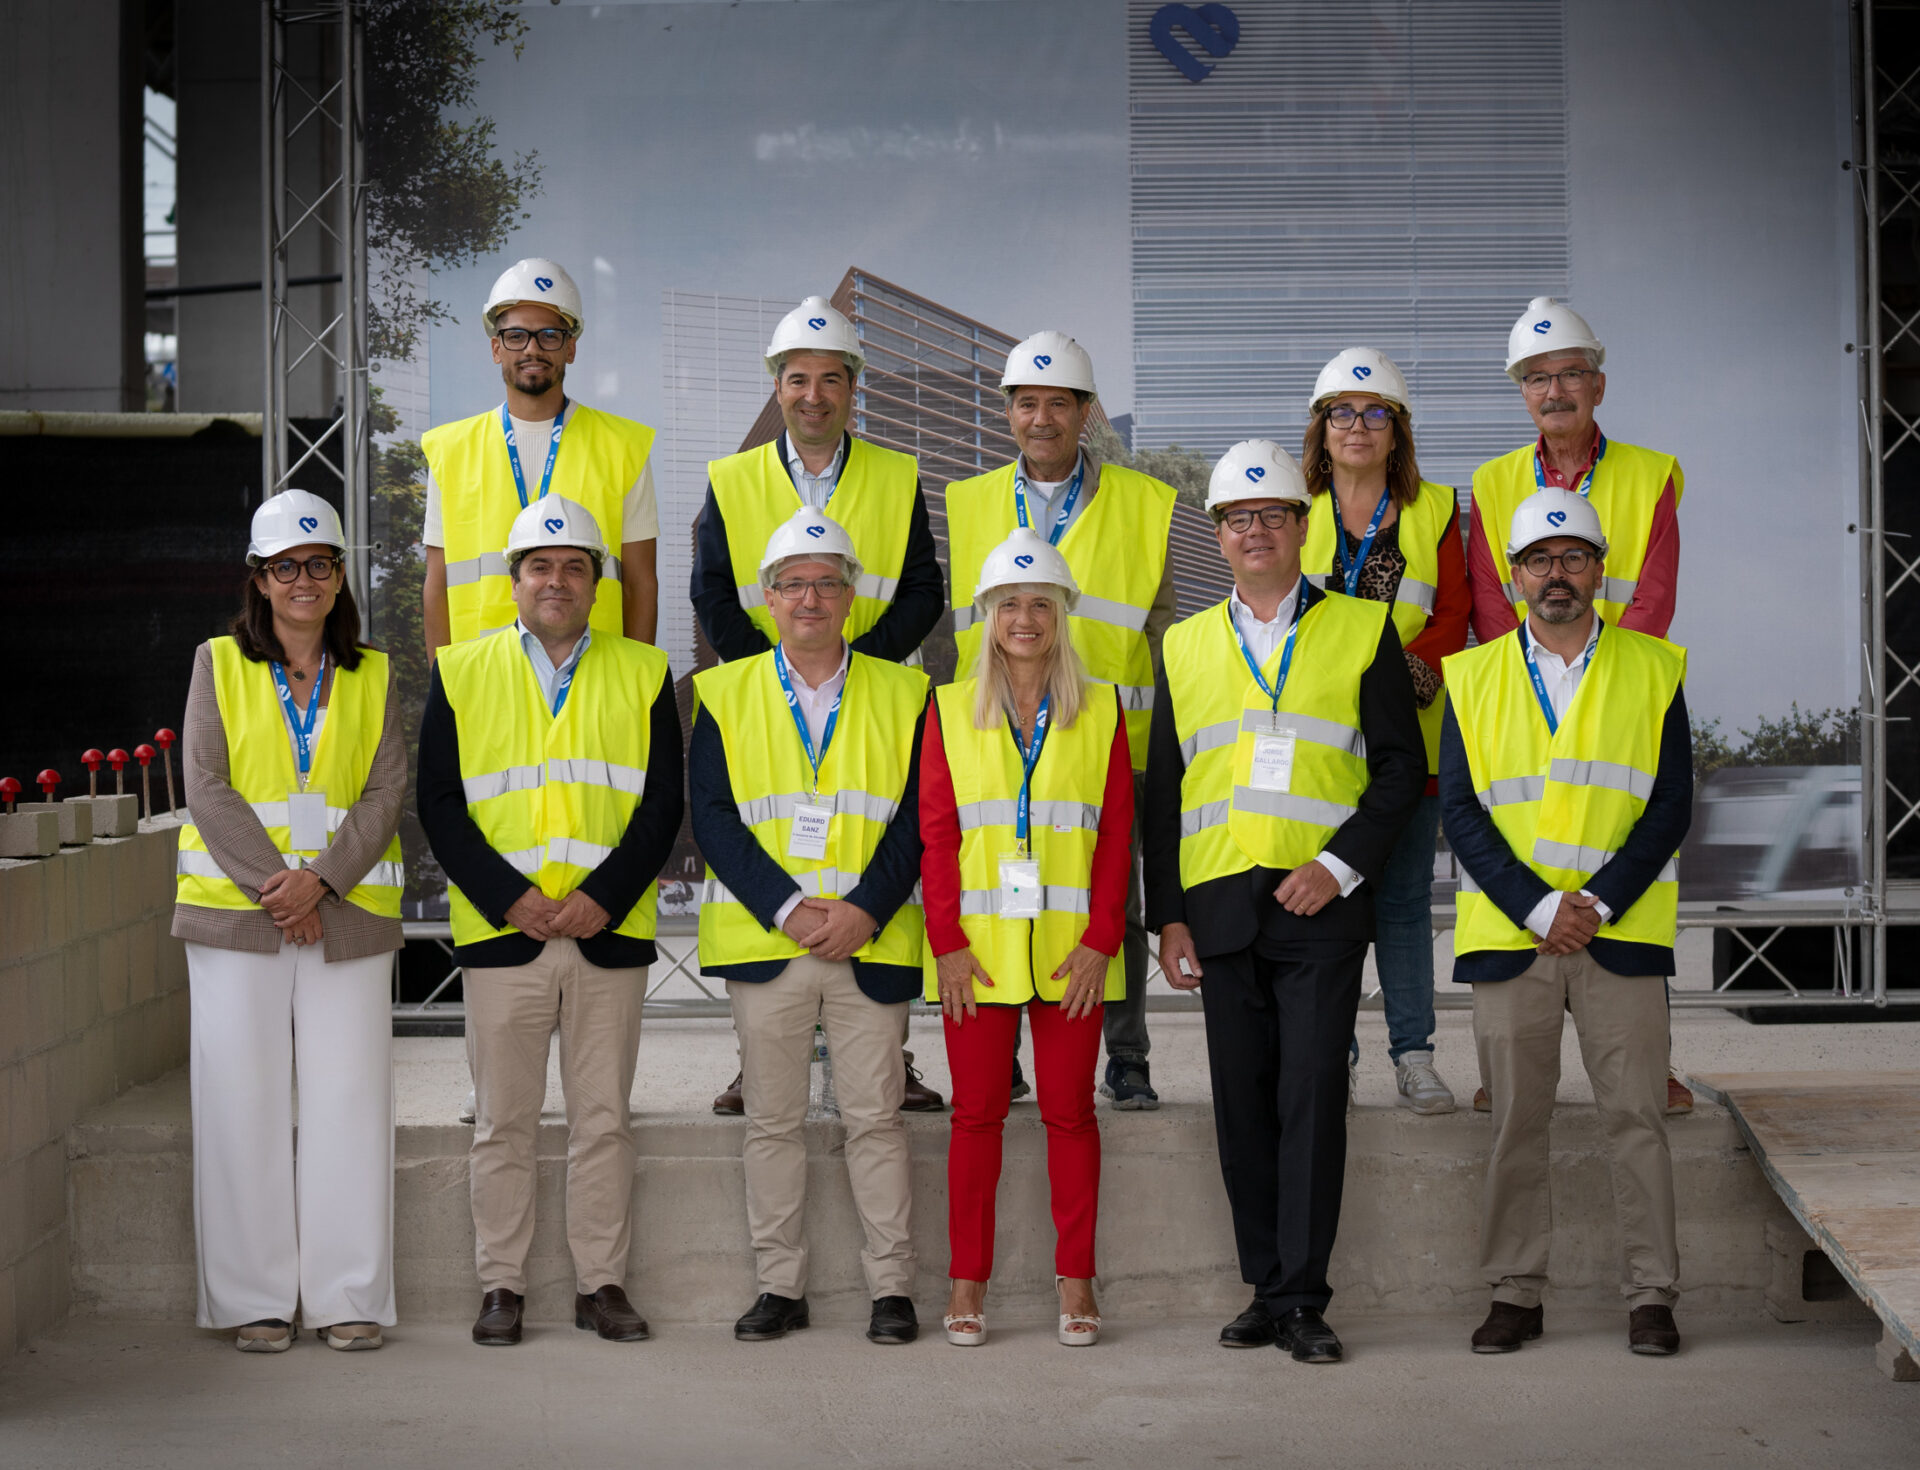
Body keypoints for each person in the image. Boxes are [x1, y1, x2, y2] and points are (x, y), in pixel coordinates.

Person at [1147, 442, 1425, 1364]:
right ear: (1217, 535)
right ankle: (1264, 1288)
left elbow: (1398, 769)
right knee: (1242, 1106)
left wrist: (1340, 865)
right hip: (1221, 905)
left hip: (1319, 906)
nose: (1255, 530)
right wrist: (1169, 914)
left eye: (1271, 515)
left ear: (1303, 529)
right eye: (1237, 518)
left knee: (1311, 1099)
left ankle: (1304, 1296)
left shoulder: (1360, 627)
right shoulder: (1184, 644)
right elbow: (1166, 789)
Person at [417, 495, 683, 1348]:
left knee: (604, 1119)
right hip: (506, 935)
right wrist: (511, 898)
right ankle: (502, 1286)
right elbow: (441, 803)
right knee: (504, 1121)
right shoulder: (461, 670)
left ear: (598, 584)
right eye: (540, 564)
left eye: (575, 566)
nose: (557, 579)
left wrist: (603, 894)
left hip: (609, 931)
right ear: (513, 579)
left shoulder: (643, 671)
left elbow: (661, 805)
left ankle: (601, 1285)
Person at [1438, 487, 1692, 1357]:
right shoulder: (1469, 678)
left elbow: (1669, 805)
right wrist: (1542, 906)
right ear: (1514, 577)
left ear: (1599, 571)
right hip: (1515, 939)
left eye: (1574, 557)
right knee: (1517, 1121)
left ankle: (1652, 1294)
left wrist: (1599, 902)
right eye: (1540, 560)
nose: (1557, 573)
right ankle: (1515, 1291)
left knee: (1636, 1119)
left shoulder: (1655, 669)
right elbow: (1464, 812)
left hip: (1619, 938)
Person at [691, 294, 946, 1115]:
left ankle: (887, 1059)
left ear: (852, 387)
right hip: (768, 708)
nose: (812, 395)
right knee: (780, 878)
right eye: (796, 379)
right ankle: (758, 1063)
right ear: (777, 384)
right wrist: (777, 676)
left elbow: (920, 592)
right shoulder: (730, 480)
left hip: (864, 706)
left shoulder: (896, 474)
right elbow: (710, 595)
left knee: (864, 875)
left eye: (830, 379)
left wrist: (847, 670)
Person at [173, 489, 405, 1353]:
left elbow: (385, 791)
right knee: (241, 1104)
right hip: (240, 916)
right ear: (259, 580)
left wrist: (323, 884)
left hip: (343, 916)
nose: (303, 581)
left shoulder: (375, 671)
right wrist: (282, 886)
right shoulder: (216, 663)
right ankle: (252, 1301)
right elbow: (207, 782)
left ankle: (347, 1297)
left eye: (319, 564)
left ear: (340, 576)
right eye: (285, 567)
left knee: (350, 1102)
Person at [690, 508, 928, 1347]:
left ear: (853, 594)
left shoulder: (910, 692)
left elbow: (920, 818)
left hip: (873, 939)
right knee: (772, 1123)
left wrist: (864, 909)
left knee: (877, 1121)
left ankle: (891, 1290)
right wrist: (790, 909)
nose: (811, 598)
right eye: (794, 583)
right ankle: (778, 1287)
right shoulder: (723, 691)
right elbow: (713, 818)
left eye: (828, 580)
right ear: (766, 598)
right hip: (769, 946)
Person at [1467, 297, 1692, 1115]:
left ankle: (1648, 1063)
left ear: (1597, 383)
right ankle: (1510, 1065)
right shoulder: (1494, 482)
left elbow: (1653, 595)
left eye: (1567, 373)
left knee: (1630, 860)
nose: (1553, 389)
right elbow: (1494, 607)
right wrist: (1525, 678)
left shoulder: (1649, 471)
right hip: (1522, 694)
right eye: (1537, 378)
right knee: (1520, 859)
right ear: (1522, 393)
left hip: (1624, 685)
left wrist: (1604, 679)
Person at [943, 331, 1176, 1110]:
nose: (1041, 418)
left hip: (1111, 738)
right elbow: (959, 631)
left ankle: (1129, 1055)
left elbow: (1162, 632)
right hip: (995, 735)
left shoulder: (1145, 505)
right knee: (997, 885)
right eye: (1026, 403)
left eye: (1058, 404)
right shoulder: (969, 501)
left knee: (1119, 901)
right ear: (1008, 412)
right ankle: (1003, 1051)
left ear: (1087, 413)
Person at [920, 528, 1133, 1347]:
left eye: (1040, 603)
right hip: (975, 953)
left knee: (1072, 1114)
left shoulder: (1103, 707)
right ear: (985, 616)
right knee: (976, 1117)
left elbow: (1116, 837)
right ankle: (966, 1282)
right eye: (1008, 603)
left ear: (1062, 615)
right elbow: (938, 837)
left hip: (1073, 952)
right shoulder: (943, 709)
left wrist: (1102, 940)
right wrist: (946, 944)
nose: (1024, 617)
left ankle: (1076, 1280)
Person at [1299, 349, 1470, 1115]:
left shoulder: (1436, 509)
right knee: (1329, 902)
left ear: (1398, 431)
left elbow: (1455, 615)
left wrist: (1389, 686)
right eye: (1343, 412)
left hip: (1410, 742)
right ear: (1322, 429)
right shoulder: (1292, 509)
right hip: (1319, 742)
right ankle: (1332, 1052)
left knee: (1402, 902)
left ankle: (1415, 1056)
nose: (1359, 426)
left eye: (1376, 413)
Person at [422, 257, 660, 653]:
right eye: (516, 336)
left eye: (549, 335)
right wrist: (441, 691)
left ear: (571, 347)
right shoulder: (451, 450)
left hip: (594, 676)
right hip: (481, 681)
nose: (532, 349)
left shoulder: (623, 447)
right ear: (496, 348)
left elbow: (640, 583)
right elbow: (436, 583)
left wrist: (638, 684)